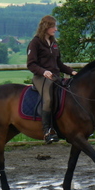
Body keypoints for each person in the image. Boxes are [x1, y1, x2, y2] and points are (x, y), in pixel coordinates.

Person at [27, 15, 76, 143]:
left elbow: (59, 64)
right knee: (48, 99)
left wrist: (72, 72)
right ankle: (47, 131)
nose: (56, 29)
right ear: (46, 27)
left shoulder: (54, 43)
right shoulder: (35, 43)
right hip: (41, 77)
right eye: (53, 26)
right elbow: (31, 64)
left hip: (55, 77)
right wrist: (43, 72)